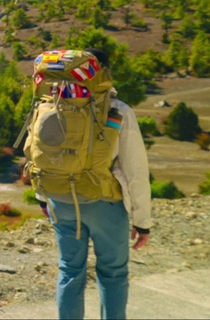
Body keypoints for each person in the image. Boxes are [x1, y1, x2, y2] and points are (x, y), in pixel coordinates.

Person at [35, 48, 152, 320]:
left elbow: (40, 154)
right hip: (104, 203)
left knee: (69, 270)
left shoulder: (48, 106)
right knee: (113, 273)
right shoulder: (117, 110)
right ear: (104, 73)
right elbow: (136, 172)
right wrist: (142, 221)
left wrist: (43, 197)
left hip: (60, 201)